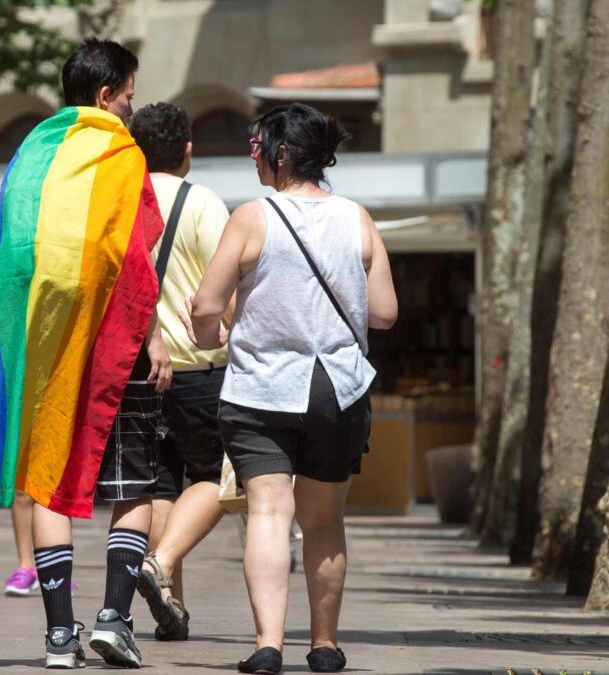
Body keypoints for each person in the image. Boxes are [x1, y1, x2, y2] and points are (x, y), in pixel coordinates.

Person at [0, 38, 166, 670]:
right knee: (132, 483)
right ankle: (115, 619)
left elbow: (8, 248)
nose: (129, 111)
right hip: (114, 344)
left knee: (47, 485)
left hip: (39, 350)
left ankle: (61, 636)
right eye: (128, 98)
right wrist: (155, 338)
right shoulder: (121, 153)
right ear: (105, 95)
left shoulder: (30, 151)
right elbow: (135, 259)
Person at [180, 103, 397, 674]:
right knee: (324, 519)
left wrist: (212, 334)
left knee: (270, 513)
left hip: (261, 391)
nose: (252, 157)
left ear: (279, 154)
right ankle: (324, 646)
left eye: (255, 147)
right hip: (339, 391)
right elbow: (385, 313)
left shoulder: (252, 217)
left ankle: (267, 644)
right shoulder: (358, 218)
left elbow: (206, 307)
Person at [123, 103, 232, 642]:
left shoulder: (123, 202)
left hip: (137, 368)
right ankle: (159, 564)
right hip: (198, 368)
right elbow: (228, 286)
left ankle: (174, 607)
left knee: (160, 486)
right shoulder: (203, 203)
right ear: (188, 150)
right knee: (218, 478)